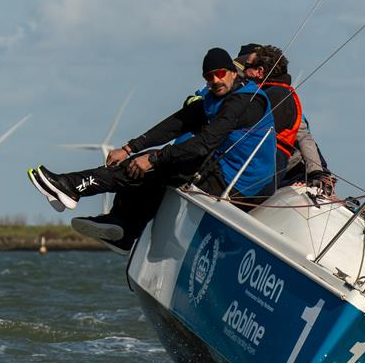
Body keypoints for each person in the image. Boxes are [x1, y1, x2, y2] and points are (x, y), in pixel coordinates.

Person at [28, 47, 277, 254]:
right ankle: (123, 228)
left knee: (153, 168)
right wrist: (129, 148)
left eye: (220, 74)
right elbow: (176, 124)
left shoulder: (246, 101)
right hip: (222, 168)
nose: (215, 80)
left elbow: (205, 142)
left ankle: (73, 187)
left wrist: (155, 157)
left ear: (234, 72)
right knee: (142, 165)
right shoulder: (215, 97)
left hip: (239, 185)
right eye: (209, 76)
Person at [235, 44, 334, 196]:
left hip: (294, 168)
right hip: (276, 167)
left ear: (259, 70)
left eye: (246, 66)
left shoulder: (279, 96)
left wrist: (316, 173)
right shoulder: (262, 92)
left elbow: (304, 136)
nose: (242, 72)